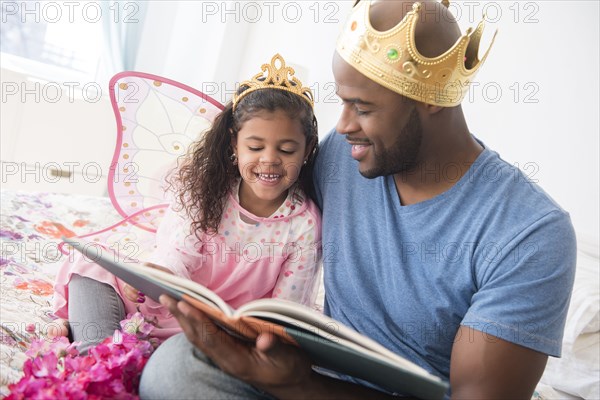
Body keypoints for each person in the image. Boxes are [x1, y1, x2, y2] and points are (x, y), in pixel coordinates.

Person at [139, 1, 577, 399]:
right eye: (343, 103)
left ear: (432, 100)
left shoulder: (531, 232)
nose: (343, 125)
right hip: (303, 376)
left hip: (321, 386)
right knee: (177, 368)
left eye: (363, 108)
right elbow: (255, 202)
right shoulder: (342, 157)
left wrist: (298, 384)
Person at [52, 53, 322, 352]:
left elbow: (286, 308)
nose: (269, 159)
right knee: (92, 263)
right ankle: (96, 348)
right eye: (255, 147)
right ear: (234, 144)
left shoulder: (305, 224)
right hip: (168, 302)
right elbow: (176, 253)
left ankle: (105, 342)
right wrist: (156, 276)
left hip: (220, 330)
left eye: (286, 150)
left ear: (307, 149)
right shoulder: (206, 189)